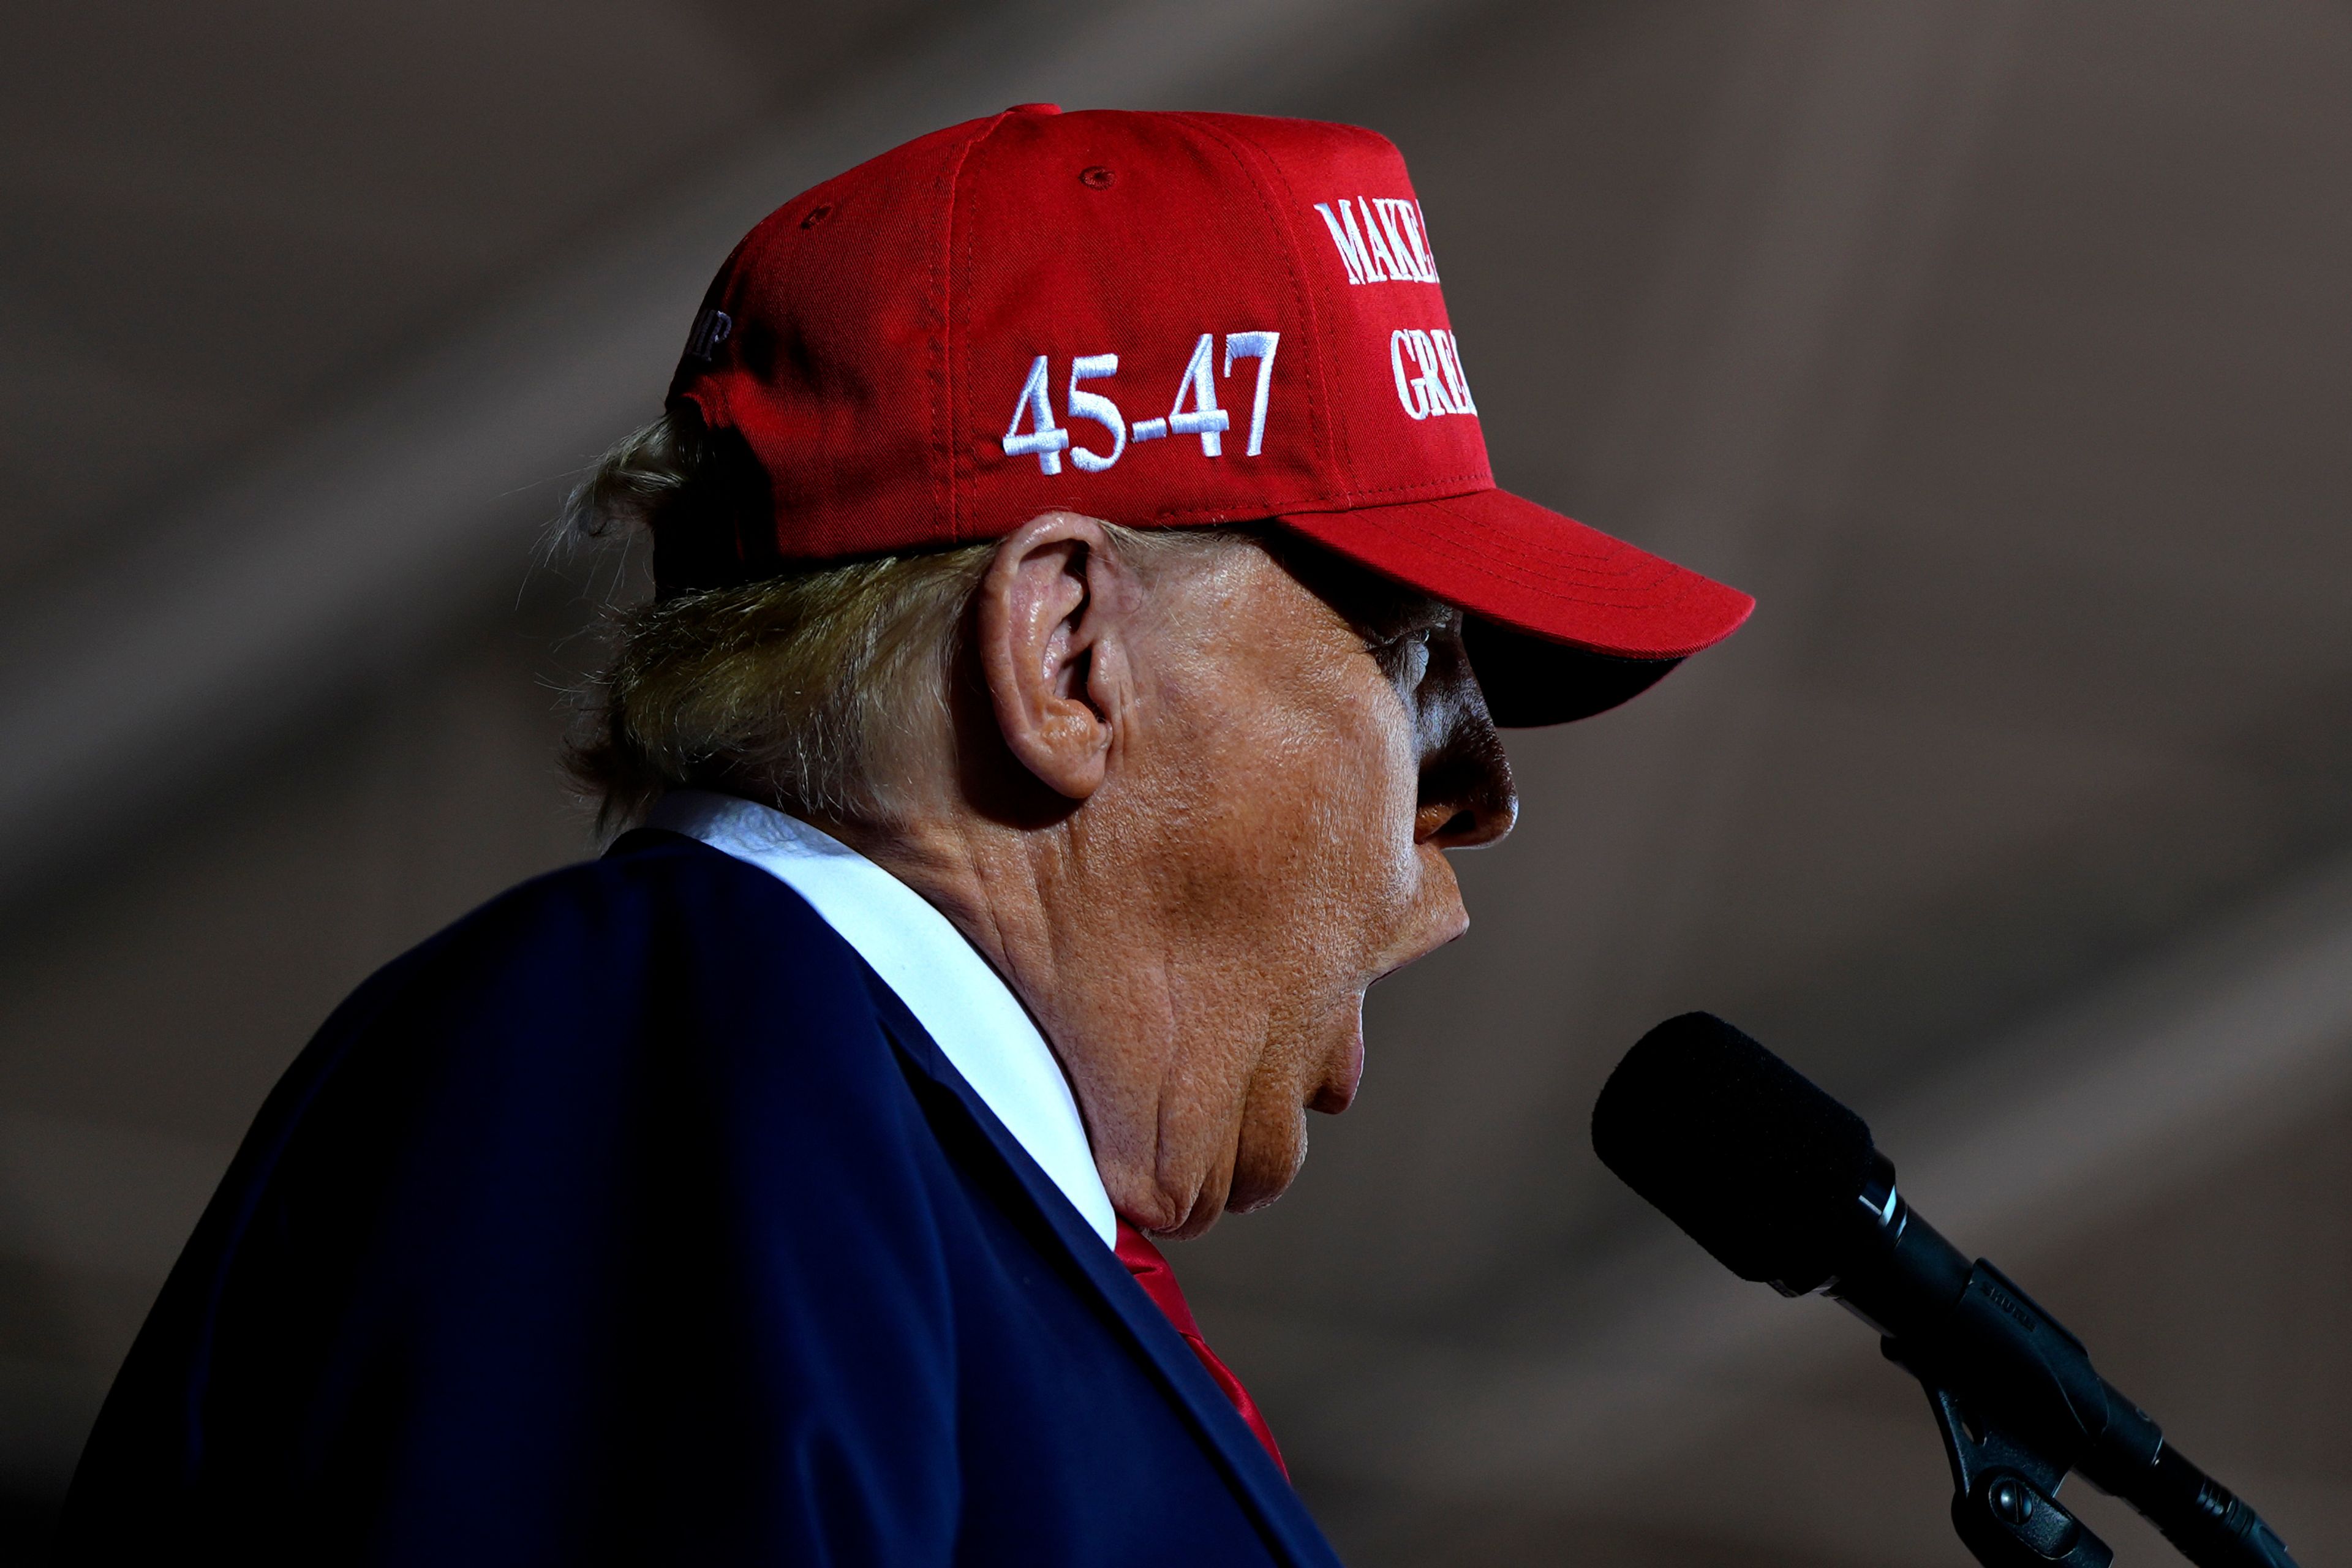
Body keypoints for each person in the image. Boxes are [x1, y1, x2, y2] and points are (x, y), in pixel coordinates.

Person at [57, 106, 1749, 1566]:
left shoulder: (854, 1172)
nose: (1480, 801)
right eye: (1408, 655)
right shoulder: (662, 1049)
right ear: (1067, 653)